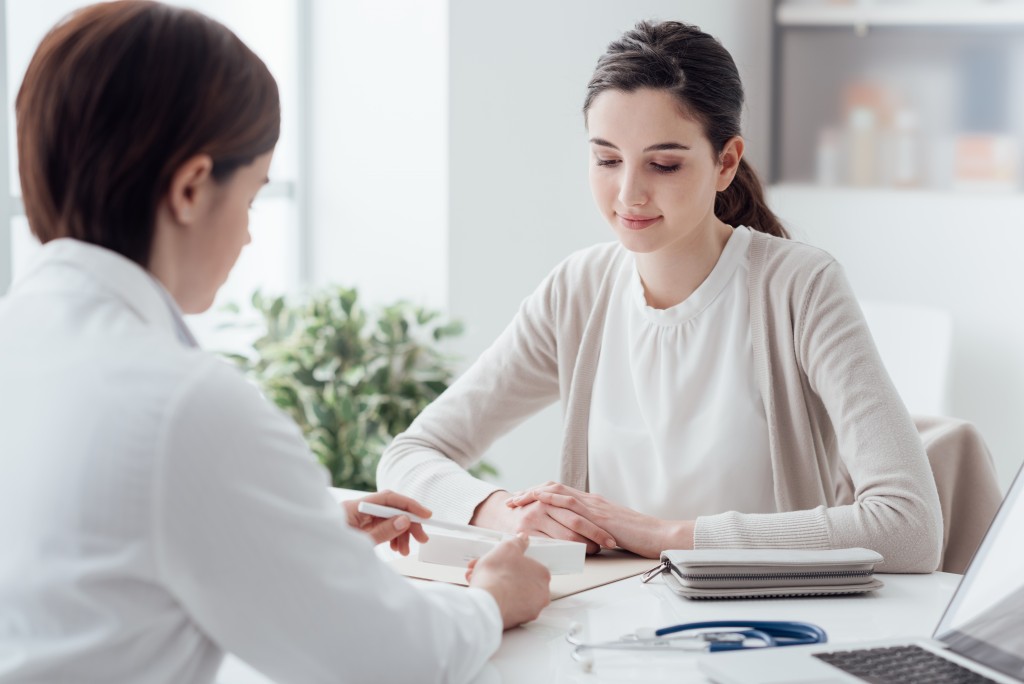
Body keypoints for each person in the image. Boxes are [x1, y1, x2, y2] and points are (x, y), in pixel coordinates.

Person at [0, 3, 549, 683]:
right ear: (192, 188)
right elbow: (390, 659)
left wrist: (294, 531)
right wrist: (492, 600)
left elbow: (105, 541)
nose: (251, 234)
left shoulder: (26, 345)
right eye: (253, 195)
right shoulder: (183, 405)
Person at [377, 19, 943, 573]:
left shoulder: (800, 287)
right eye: (606, 159)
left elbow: (909, 527)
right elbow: (408, 456)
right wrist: (502, 513)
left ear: (725, 162)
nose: (628, 194)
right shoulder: (579, 289)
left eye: (663, 164)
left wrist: (666, 537)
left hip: (768, 632)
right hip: (608, 627)